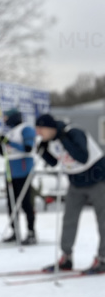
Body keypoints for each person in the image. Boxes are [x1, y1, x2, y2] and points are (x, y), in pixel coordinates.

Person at [35, 113, 105, 274]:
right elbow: (54, 162)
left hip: (98, 180)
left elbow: (82, 156)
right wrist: (43, 151)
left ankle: (103, 258)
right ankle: (66, 257)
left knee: (102, 221)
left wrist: (63, 140)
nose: (39, 133)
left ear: (51, 128)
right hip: (76, 183)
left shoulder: (73, 133)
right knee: (69, 220)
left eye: (41, 129)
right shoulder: (51, 141)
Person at [0, 108, 37, 244]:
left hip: (23, 171)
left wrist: (7, 141)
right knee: (11, 204)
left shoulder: (26, 129)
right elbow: (5, 152)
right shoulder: (11, 132)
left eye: (6, 117)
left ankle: (31, 232)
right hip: (10, 172)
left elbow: (28, 148)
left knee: (26, 204)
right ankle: (15, 231)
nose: (4, 120)